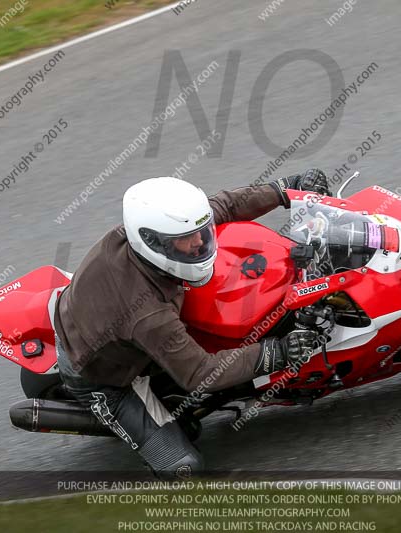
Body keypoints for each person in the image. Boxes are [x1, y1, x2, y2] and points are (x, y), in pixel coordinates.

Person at [53, 169, 332, 479]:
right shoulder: (148, 314)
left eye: (203, 232)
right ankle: (107, 412)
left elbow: (223, 206)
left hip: (100, 317)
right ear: (153, 242)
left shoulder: (155, 231)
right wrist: (278, 353)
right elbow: (200, 373)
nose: (200, 241)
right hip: (103, 377)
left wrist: (285, 189)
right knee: (184, 467)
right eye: (188, 239)